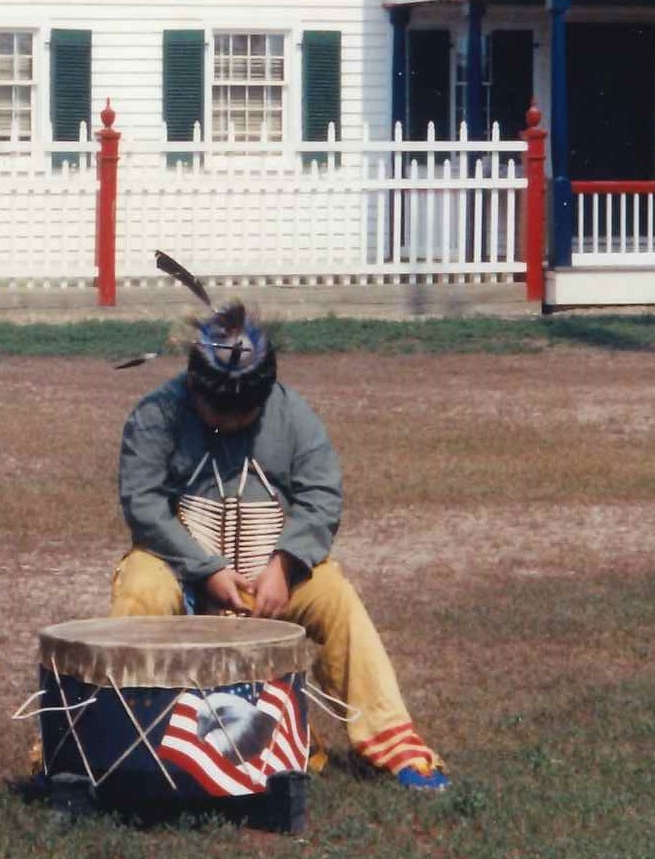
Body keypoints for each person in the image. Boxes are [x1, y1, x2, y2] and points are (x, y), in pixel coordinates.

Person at [109, 303, 449, 791]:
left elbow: (321, 496)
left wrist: (285, 565)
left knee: (336, 597)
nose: (230, 421)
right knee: (139, 586)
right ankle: (113, 735)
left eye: (243, 413)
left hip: (274, 582)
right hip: (181, 577)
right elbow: (142, 503)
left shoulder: (293, 415)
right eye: (218, 411)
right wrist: (205, 569)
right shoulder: (155, 416)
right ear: (194, 383)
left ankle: (393, 742)